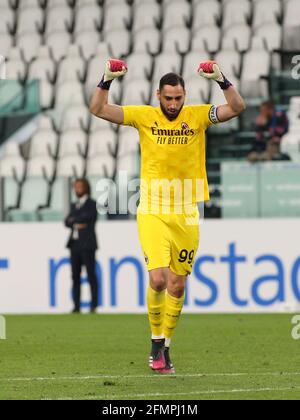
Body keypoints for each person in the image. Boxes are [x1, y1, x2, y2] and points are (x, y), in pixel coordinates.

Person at [89, 59, 245, 374]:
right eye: (168, 98)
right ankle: (155, 342)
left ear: (185, 95)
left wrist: (222, 80)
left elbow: (237, 107)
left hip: (188, 212)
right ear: (158, 95)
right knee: (158, 279)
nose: (173, 104)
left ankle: (167, 346)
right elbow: (98, 109)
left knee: (177, 286)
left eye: (178, 98)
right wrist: (106, 80)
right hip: (152, 209)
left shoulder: (198, 116)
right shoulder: (144, 116)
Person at [65, 179, 99, 314]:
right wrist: (76, 221)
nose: (77, 189)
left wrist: (74, 220)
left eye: (79, 187)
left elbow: (89, 218)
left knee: (91, 275)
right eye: (75, 187)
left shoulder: (92, 204)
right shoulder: (74, 205)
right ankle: (76, 306)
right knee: (75, 276)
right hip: (74, 244)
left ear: (86, 188)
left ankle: (93, 305)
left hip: (88, 244)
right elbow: (66, 221)